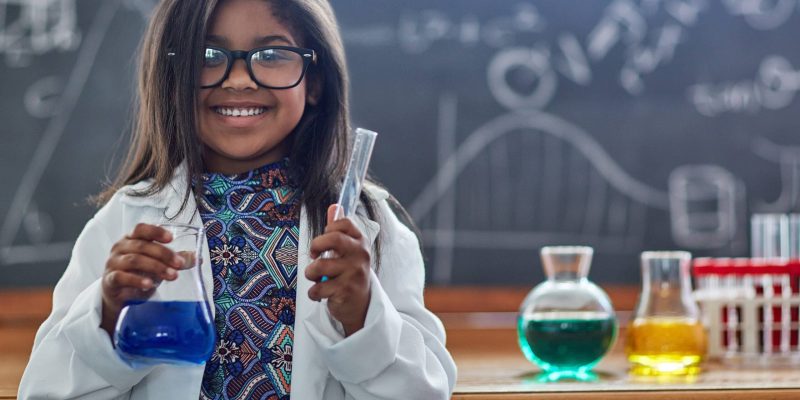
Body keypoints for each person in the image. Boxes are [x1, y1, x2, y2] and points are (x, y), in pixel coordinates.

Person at [18, 0, 457, 398]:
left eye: (271, 54)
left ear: (316, 81)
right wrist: (108, 319)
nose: (241, 79)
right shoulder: (127, 221)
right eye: (208, 56)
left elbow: (425, 390)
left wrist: (363, 317)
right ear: (173, 77)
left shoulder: (364, 223)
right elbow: (43, 390)